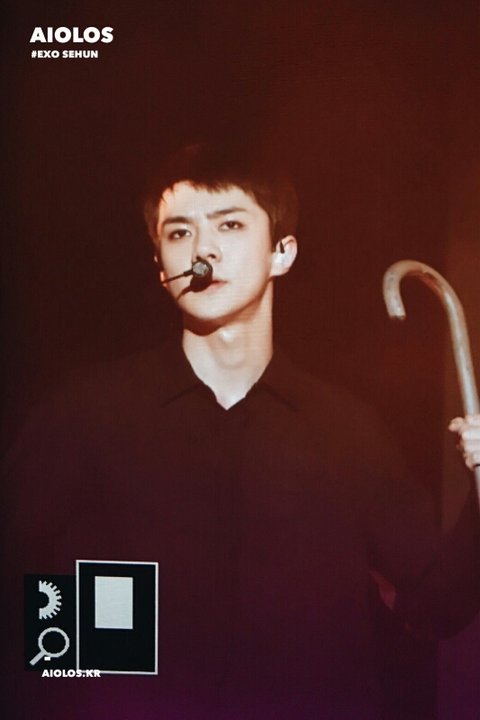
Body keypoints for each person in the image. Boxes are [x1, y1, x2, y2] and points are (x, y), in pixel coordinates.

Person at [2, 142, 479, 720]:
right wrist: (80, 676)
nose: (202, 249)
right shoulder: (86, 414)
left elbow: (435, 606)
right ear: (160, 265)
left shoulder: (346, 430)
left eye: (229, 224)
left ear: (282, 253)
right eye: (179, 232)